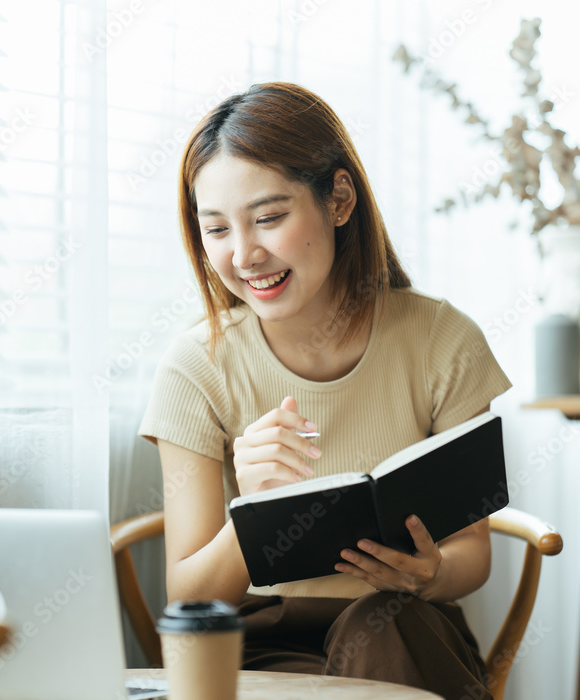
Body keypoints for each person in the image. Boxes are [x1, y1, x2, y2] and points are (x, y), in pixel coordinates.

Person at [138, 81, 511, 699]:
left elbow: (474, 554)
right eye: (217, 230)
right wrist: (247, 518)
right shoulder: (194, 367)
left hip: (408, 630)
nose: (244, 255)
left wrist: (430, 574)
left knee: (378, 628)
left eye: (268, 218)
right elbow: (191, 596)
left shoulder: (442, 340)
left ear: (339, 199)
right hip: (267, 642)